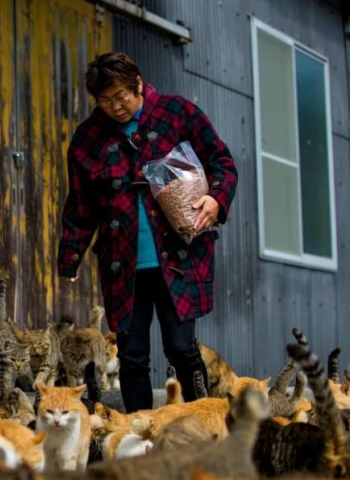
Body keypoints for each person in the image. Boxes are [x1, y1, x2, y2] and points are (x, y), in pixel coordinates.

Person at [57, 52, 237, 413]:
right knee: (132, 355)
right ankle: (139, 431)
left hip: (179, 256)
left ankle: (203, 422)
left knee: (181, 348)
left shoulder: (177, 113)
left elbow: (222, 162)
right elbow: (80, 204)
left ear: (138, 84)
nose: (115, 106)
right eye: (105, 100)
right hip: (122, 264)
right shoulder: (87, 139)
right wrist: (71, 255)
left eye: (121, 96)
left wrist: (216, 199)